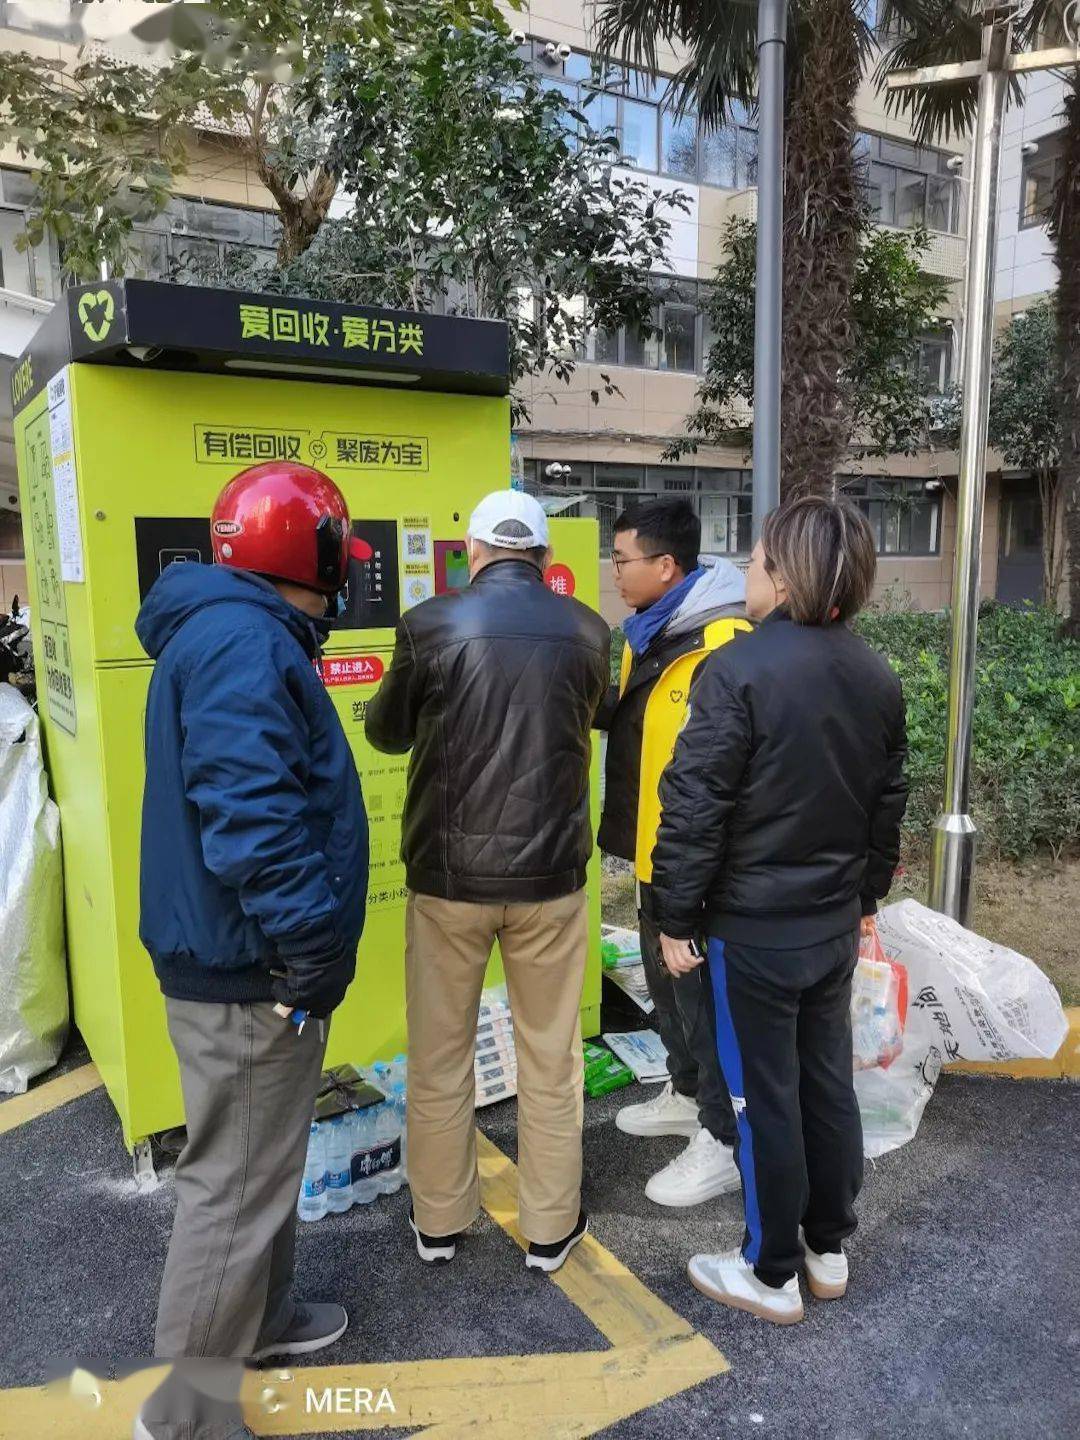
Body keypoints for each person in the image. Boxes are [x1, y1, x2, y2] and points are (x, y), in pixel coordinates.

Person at [134, 462, 371, 1439]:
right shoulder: (241, 642)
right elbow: (254, 821)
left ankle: (259, 1320)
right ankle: (186, 1409)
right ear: (309, 555)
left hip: (247, 958)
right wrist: (311, 946)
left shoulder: (238, 631)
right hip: (250, 968)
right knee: (232, 1184)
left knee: (260, 1163)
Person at [650, 496, 907, 1325]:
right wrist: (864, 898)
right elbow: (884, 806)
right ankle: (827, 1249)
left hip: (754, 933)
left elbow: (695, 804)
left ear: (787, 574)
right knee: (826, 1086)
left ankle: (769, 1271)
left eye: (758, 560)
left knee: (766, 1100)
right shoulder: (875, 675)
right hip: (830, 924)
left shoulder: (740, 668)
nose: (748, 572)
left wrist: (675, 915)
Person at [366, 489, 609, 1274]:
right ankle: (548, 1229)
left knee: (439, 1055)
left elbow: (387, 729)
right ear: (542, 559)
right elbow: (592, 717)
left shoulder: (429, 624)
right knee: (551, 1056)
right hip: (551, 879)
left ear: (473, 551)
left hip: (448, 879)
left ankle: (439, 1223)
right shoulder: (588, 631)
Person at [596, 499, 750, 1207]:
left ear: (666, 566)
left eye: (622, 559)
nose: (614, 571)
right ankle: (686, 1091)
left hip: (697, 859)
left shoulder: (723, 640)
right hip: (653, 847)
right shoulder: (650, 634)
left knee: (700, 997)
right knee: (666, 988)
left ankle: (722, 1136)